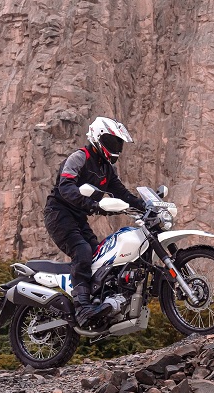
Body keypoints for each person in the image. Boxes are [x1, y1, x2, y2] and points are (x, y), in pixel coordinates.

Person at [44, 117, 145, 327]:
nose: (116, 147)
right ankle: (82, 307)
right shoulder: (79, 157)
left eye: (119, 143)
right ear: (98, 137)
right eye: (112, 142)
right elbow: (66, 187)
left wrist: (146, 206)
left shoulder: (107, 169)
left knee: (100, 256)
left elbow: (123, 193)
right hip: (59, 213)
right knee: (82, 251)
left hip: (78, 216)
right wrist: (92, 204)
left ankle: (97, 300)